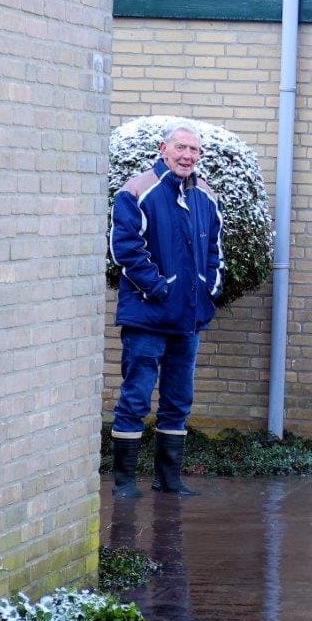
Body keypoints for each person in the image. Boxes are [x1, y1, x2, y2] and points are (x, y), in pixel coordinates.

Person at [108, 119, 224, 498]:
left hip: (188, 319)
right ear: (163, 149)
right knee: (136, 397)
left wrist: (208, 290)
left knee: (178, 399)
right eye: (181, 148)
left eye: (194, 150)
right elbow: (125, 249)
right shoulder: (137, 191)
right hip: (147, 316)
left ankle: (168, 479)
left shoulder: (206, 195)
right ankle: (124, 481)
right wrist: (158, 288)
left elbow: (213, 252)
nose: (187, 156)